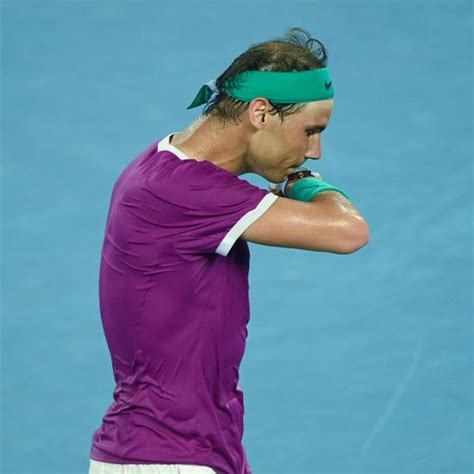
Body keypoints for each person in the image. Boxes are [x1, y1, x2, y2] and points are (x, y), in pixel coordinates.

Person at [88, 27, 370, 474]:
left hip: (186, 452)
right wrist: (302, 182)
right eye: (310, 131)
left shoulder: (159, 165)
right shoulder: (183, 189)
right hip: (169, 459)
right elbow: (348, 231)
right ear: (261, 113)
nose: (314, 150)